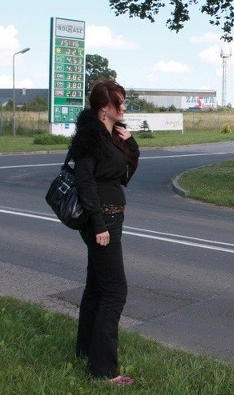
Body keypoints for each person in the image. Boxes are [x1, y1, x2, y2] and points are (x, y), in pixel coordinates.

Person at [69, 78, 139, 386]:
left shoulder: (112, 135)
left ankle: (85, 350)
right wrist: (98, 225)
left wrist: (131, 144)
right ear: (103, 108)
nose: (123, 107)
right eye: (119, 103)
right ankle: (102, 371)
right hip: (102, 222)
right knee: (115, 291)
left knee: (97, 288)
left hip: (113, 219)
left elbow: (122, 177)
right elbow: (85, 182)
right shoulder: (90, 136)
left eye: (123, 102)